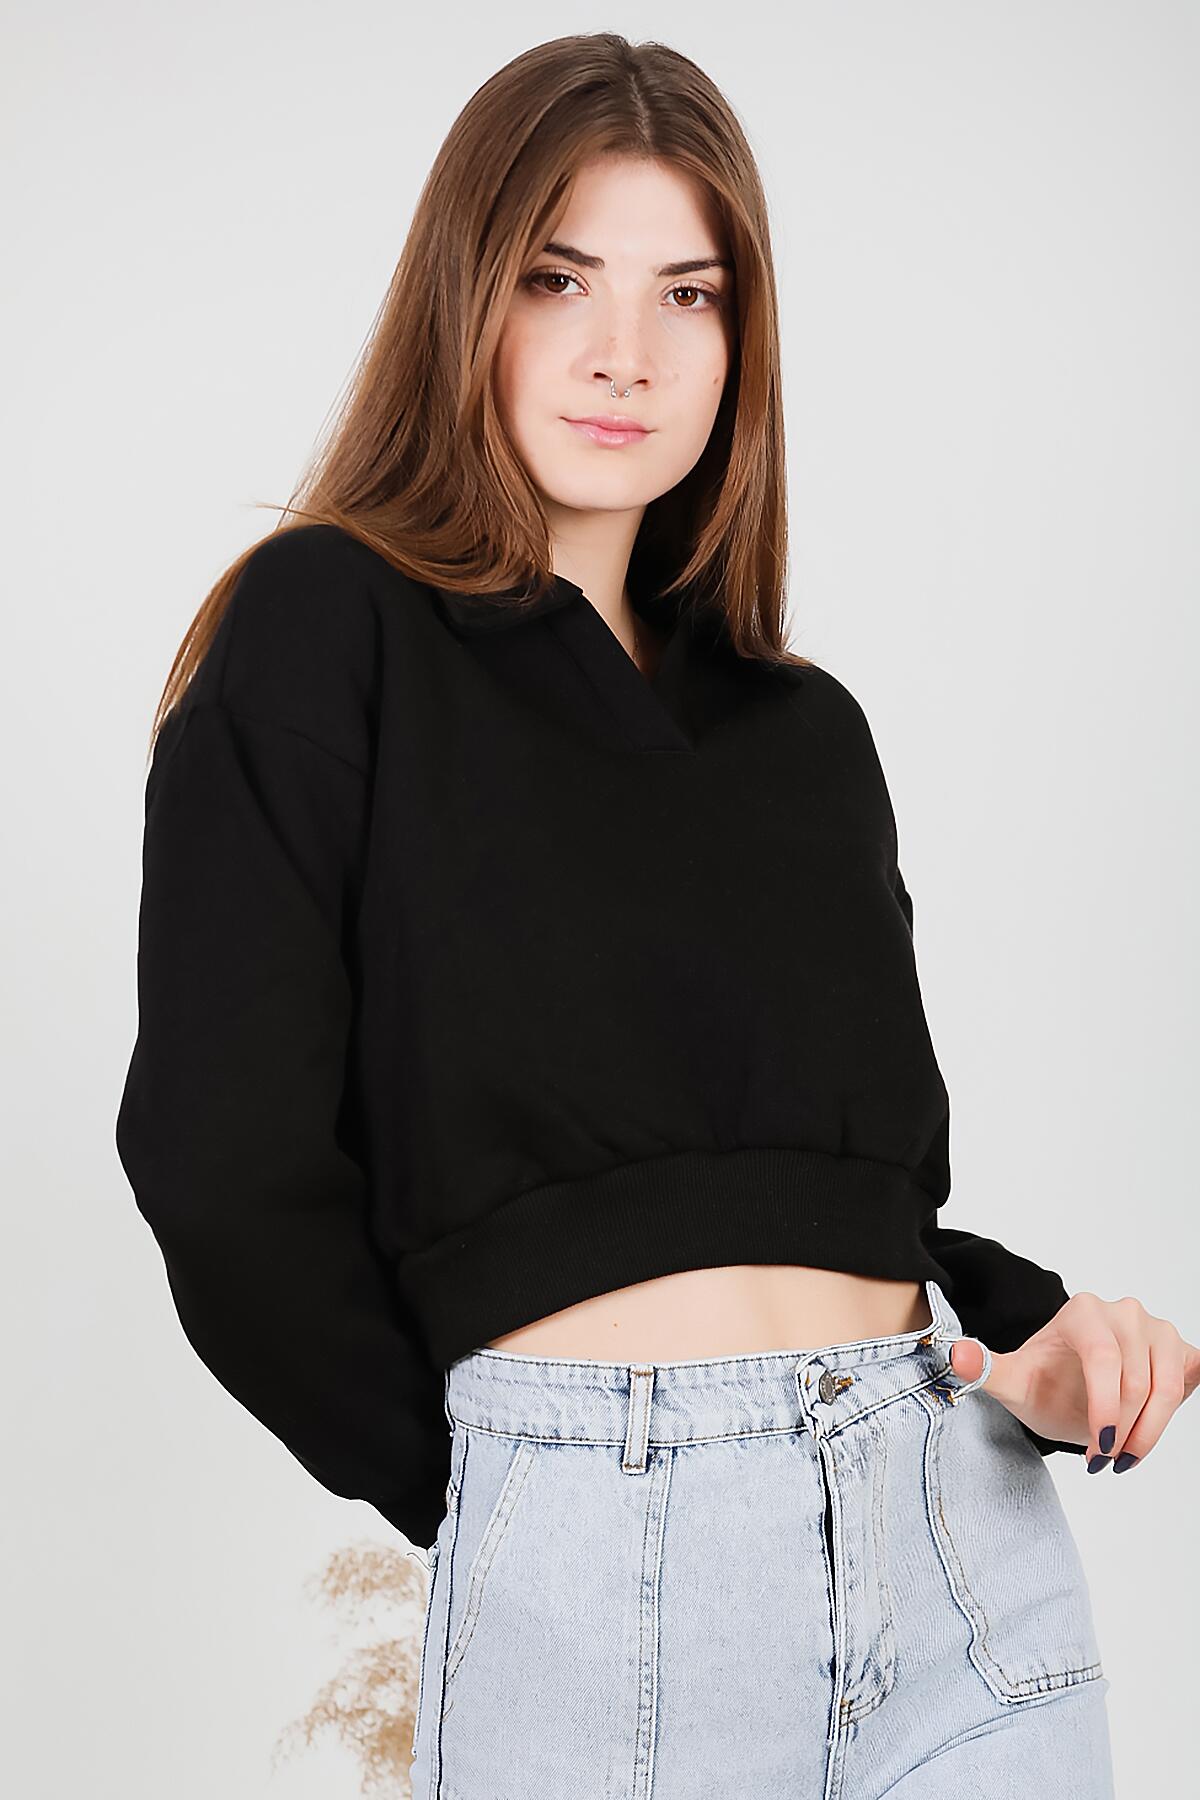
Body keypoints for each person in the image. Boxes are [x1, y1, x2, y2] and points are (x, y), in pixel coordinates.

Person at [115, 31, 1196, 1797]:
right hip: (598, 1563)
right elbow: (222, 1165)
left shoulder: (803, 729)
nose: (627, 351)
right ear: (466, 296)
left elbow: (832, 1189)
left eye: (690, 294)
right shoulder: (326, 629)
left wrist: (1036, 1330)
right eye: (560, 279)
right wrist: (509, 1482)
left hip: (963, 1559)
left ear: (740, 340)